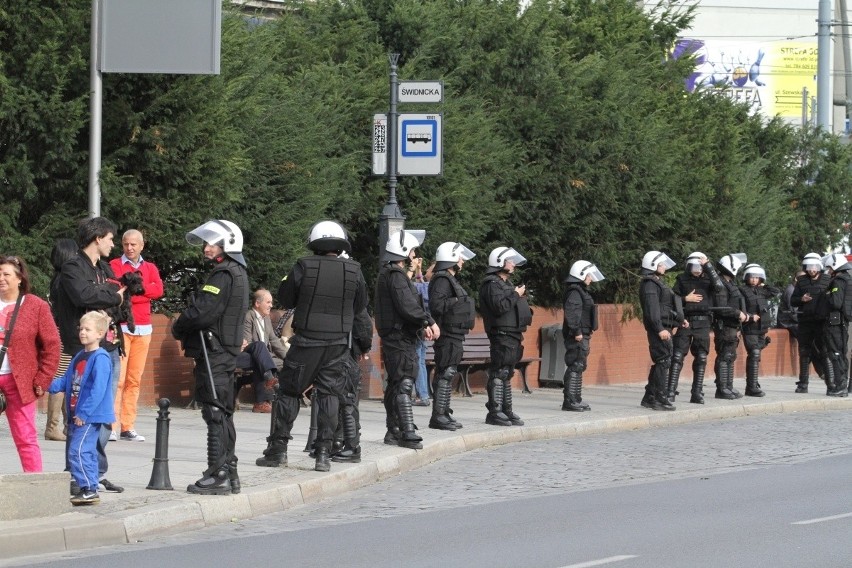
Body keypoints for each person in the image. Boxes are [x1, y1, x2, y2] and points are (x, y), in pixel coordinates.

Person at [256, 220, 367, 472]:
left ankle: (278, 449)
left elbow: (286, 297)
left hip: (306, 342)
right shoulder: (354, 270)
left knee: (288, 392)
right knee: (330, 395)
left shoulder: (303, 266)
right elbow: (360, 305)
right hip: (338, 344)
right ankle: (324, 454)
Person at [172, 220, 249, 495]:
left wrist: (178, 326)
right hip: (223, 352)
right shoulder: (237, 272)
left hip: (214, 352)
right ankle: (230, 472)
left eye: (211, 243)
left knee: (215, 412)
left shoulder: (223, 274)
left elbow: (203, 311)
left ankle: (218, 475)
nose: (205, 248)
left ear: (226, 245)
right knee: (224, 413)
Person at [51, 217, 126, 494]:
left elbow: (118, 301)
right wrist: (111, 296)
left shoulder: (104, 268)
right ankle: (77, 472)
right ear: (97, 238)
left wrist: (109, 298)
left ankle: (94, 469)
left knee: (104, 414)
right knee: (81, 413)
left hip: (109, 347)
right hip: (83, 351)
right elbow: (84, 296)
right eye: (110, 238)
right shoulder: (73, 267)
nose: (112, 244)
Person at [375, 228, 439, 448]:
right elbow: (408, 305)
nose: (413, 255)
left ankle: (394, 430)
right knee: (403, 383)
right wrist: (427, 321)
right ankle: (406, 432)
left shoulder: (392, 274)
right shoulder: (396, 276)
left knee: (396, 383)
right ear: (402, 252)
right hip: (400, 336)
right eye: (412, 251)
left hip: (399, 335)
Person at [0, 255, 61, 472]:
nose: (1, 278)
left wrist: (42, 379)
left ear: (19, 279)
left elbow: (52, 346)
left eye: (6, 274)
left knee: (25, 438)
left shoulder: (36, 306)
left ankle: (34, 483)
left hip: (20, 382)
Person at [48, 310, 114, 505]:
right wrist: (43, 384)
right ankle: (90, 488)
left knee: (77, 451)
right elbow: (65, 382)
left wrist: (84, 413)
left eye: (88, 329)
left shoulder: (100, 358)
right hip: (78, 414)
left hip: (88, 416)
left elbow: (99, 389)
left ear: (100, 334)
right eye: (81, 328)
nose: (82, 332)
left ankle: (88, 488)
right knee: (86, 452)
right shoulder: (79, 356)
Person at [109, 229, 164, 442]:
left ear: (142, 245)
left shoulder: (149, 267)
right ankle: (111, 425)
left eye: (133, 244)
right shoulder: (115, 265)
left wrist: (135, 290)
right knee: (118, 379)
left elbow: (158, 290)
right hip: (122, 327)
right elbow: (117, 294)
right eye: (126, 244)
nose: (129, 248)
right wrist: (140, 290)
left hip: (144, 328)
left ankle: (127, 426)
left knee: (134, 380)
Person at [479, 246, 532, 426]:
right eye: (510, 261)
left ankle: (506, 409)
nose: (513, 264)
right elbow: (499, 307)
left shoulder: (505, 284)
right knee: (499, 371)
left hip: (513, 334)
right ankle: (494, 411)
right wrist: (516, 294)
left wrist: (516, 294)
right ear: (499, 262)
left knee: (507, 372)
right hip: (501, 333)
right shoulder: (491, 284)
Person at [427, 241, 476, 429]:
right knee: (445, 373)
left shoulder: (448, 278)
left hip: (454, 333)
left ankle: (444, 412)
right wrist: (457, 301)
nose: (462, 261)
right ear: (451, 258)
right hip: (447, 334)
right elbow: (437, 305)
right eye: (460, 257)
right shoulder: (442, 279)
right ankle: (438, 416)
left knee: (448, 372)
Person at [669, 252, 721, 404]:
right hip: (686, 321)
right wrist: (686, 299)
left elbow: (719, 287)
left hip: (703, 323)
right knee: (677, 356)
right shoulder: (681, 279)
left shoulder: (709, 279)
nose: (697, 269)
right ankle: (670, 391)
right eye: (694, 265)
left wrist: (708, 265)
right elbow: (673, 300)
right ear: (688, 266)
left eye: (700, 266)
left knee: (701, 358)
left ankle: (697, 392)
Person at [45, 238, 79, 441]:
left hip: (61, 332)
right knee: (60, 379)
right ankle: (53, 427)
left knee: (66, 379)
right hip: (63, 334)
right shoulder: (64, 281)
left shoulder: (57, 279)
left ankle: (66, 426)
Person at [638, 251, 681, 411]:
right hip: (659, 329)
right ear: (652, 265)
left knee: (662, 362)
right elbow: (652, 310)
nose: (664, 267)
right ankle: (658, 398)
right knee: (663, 362)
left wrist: (678, 320)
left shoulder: (655, 282)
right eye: (661, 264)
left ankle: (650, 397)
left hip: (663, 327)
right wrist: (659, 329)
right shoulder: (650, 284)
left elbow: (665, 307)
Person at [561, 260, 604, 411]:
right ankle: (570, 401)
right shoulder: (574, 291)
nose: (591, 278)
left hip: (583, 333)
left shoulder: (580, 290)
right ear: (581, 274)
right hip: (577, 335)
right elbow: (572, 314)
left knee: (580, 365)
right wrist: (576, 332)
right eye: (589, 275)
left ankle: (576, 398)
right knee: (575, 365)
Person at [237, 289, 289, 413]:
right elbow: (247, 342)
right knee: (260, 347)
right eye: (268, 302)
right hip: (249, 353)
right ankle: (263, 401)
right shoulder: (248, 316)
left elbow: (274, 341)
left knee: (286, 364)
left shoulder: (266, 319)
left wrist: (289, 357)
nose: (271, 305)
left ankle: (275, 399)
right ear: (257, 303)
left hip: (264, 357)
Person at [739, 263, 781, 397]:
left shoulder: (762, 290)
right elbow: (741, 309)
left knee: (756, 356)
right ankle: (751, 387)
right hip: (749, 327)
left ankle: (753, 384)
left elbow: (775, 291)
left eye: (757, 277)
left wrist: (764, 285)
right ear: (746, 277)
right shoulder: (742, 290)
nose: (754, 280)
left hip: (761, 328)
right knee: (754, 353)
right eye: (752, 277)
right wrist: (750, 317)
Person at [790, 253, 830, 393]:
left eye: (814, 267)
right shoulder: (801, 281)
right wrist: (801, 299)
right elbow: (792, 301)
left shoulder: (828, 279)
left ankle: (831, 384)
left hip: (821, 322)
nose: (811, 270)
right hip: (805, 320)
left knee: (824, 351)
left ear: (819, 267)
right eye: (809, 267)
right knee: (804, 352)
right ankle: (803, 384)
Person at [712, 253, 750, 399]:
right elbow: (722, 307)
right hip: (724, 325)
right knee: (724, 356)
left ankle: (729, 386)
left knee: (731, 356)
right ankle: (721, 389)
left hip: (732, 326)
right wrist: (737, 313)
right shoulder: (721, 285)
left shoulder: (730, 283)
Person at [821, 253, 852, 396]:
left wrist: (826, 294)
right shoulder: (847, 279)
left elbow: (835, 302)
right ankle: (842, 385)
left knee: (836, 354)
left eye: (829, 268)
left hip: (835, 323)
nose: (828, 271)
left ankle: (841, 386)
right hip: (841, 323)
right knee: (840, 353)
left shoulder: (838, 281)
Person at [410, 255, 431, 407]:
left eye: (429, 270)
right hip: (424, 329)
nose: (425, 272)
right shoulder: (431, 287)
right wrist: (418, 268)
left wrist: (413, 269)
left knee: (417, 360)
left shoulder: (428, 287)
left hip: (418, 329)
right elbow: (420, 282)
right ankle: (423, 394)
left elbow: (409, 286)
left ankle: (422, 395)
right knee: (421, 361)